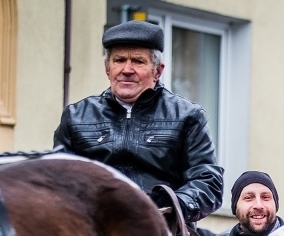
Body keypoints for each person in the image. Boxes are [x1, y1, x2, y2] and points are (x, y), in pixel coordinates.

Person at [53, 20, 223, 223]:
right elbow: (56, 177)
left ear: (157, 71)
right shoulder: (76, 116)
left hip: (163, 231)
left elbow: (208, 182)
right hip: (92, 230)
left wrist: (172, 205)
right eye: (119, 60)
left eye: (138, 61)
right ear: (107, 69)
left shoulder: (188, 116)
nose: (127, 69)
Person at [202, 171, 283, 236]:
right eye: (249, 198)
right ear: (235, 207)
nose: (258, 205)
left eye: (265, 197)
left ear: (275, 205)